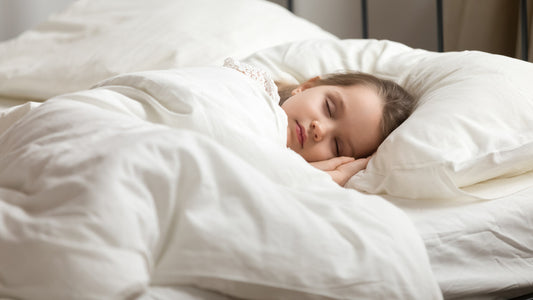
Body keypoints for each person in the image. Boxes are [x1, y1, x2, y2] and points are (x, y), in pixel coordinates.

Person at [276, 72, 415, 186]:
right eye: (329, 108)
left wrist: (336, 175)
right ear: (307, 87)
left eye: (337, 146)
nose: (320, 130)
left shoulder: (284, 174)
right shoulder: (257, 89)